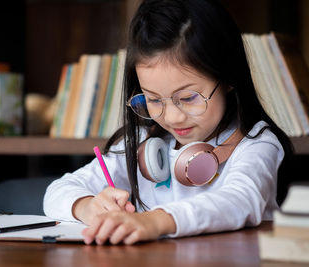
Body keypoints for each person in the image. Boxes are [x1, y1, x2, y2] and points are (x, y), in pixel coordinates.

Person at [43, 0, 293, 245]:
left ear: (227, 78)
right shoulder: (143, 141)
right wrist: (88, 207)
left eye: (188, 97)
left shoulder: (256, 144)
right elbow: (58, 191)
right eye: (153, 99)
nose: (172, 117)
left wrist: (154, 222)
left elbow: (240, 201)